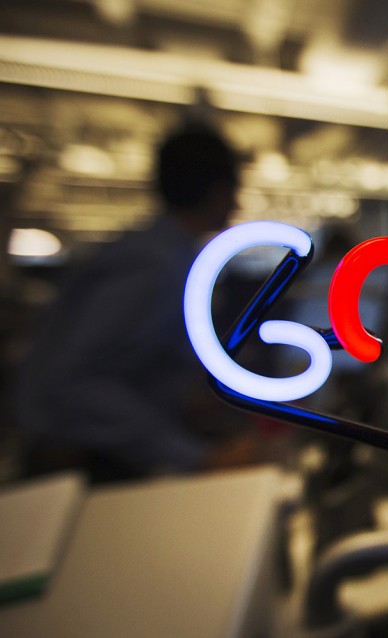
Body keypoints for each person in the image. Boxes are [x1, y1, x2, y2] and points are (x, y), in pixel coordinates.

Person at [15, 123, 255, 481]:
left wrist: (187, 398)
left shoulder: (158, 254)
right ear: (221, 192)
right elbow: (75, 379)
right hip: (77, 468)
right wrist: (196, 457)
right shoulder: (152, 266)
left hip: (88, 458)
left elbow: (128, 365)